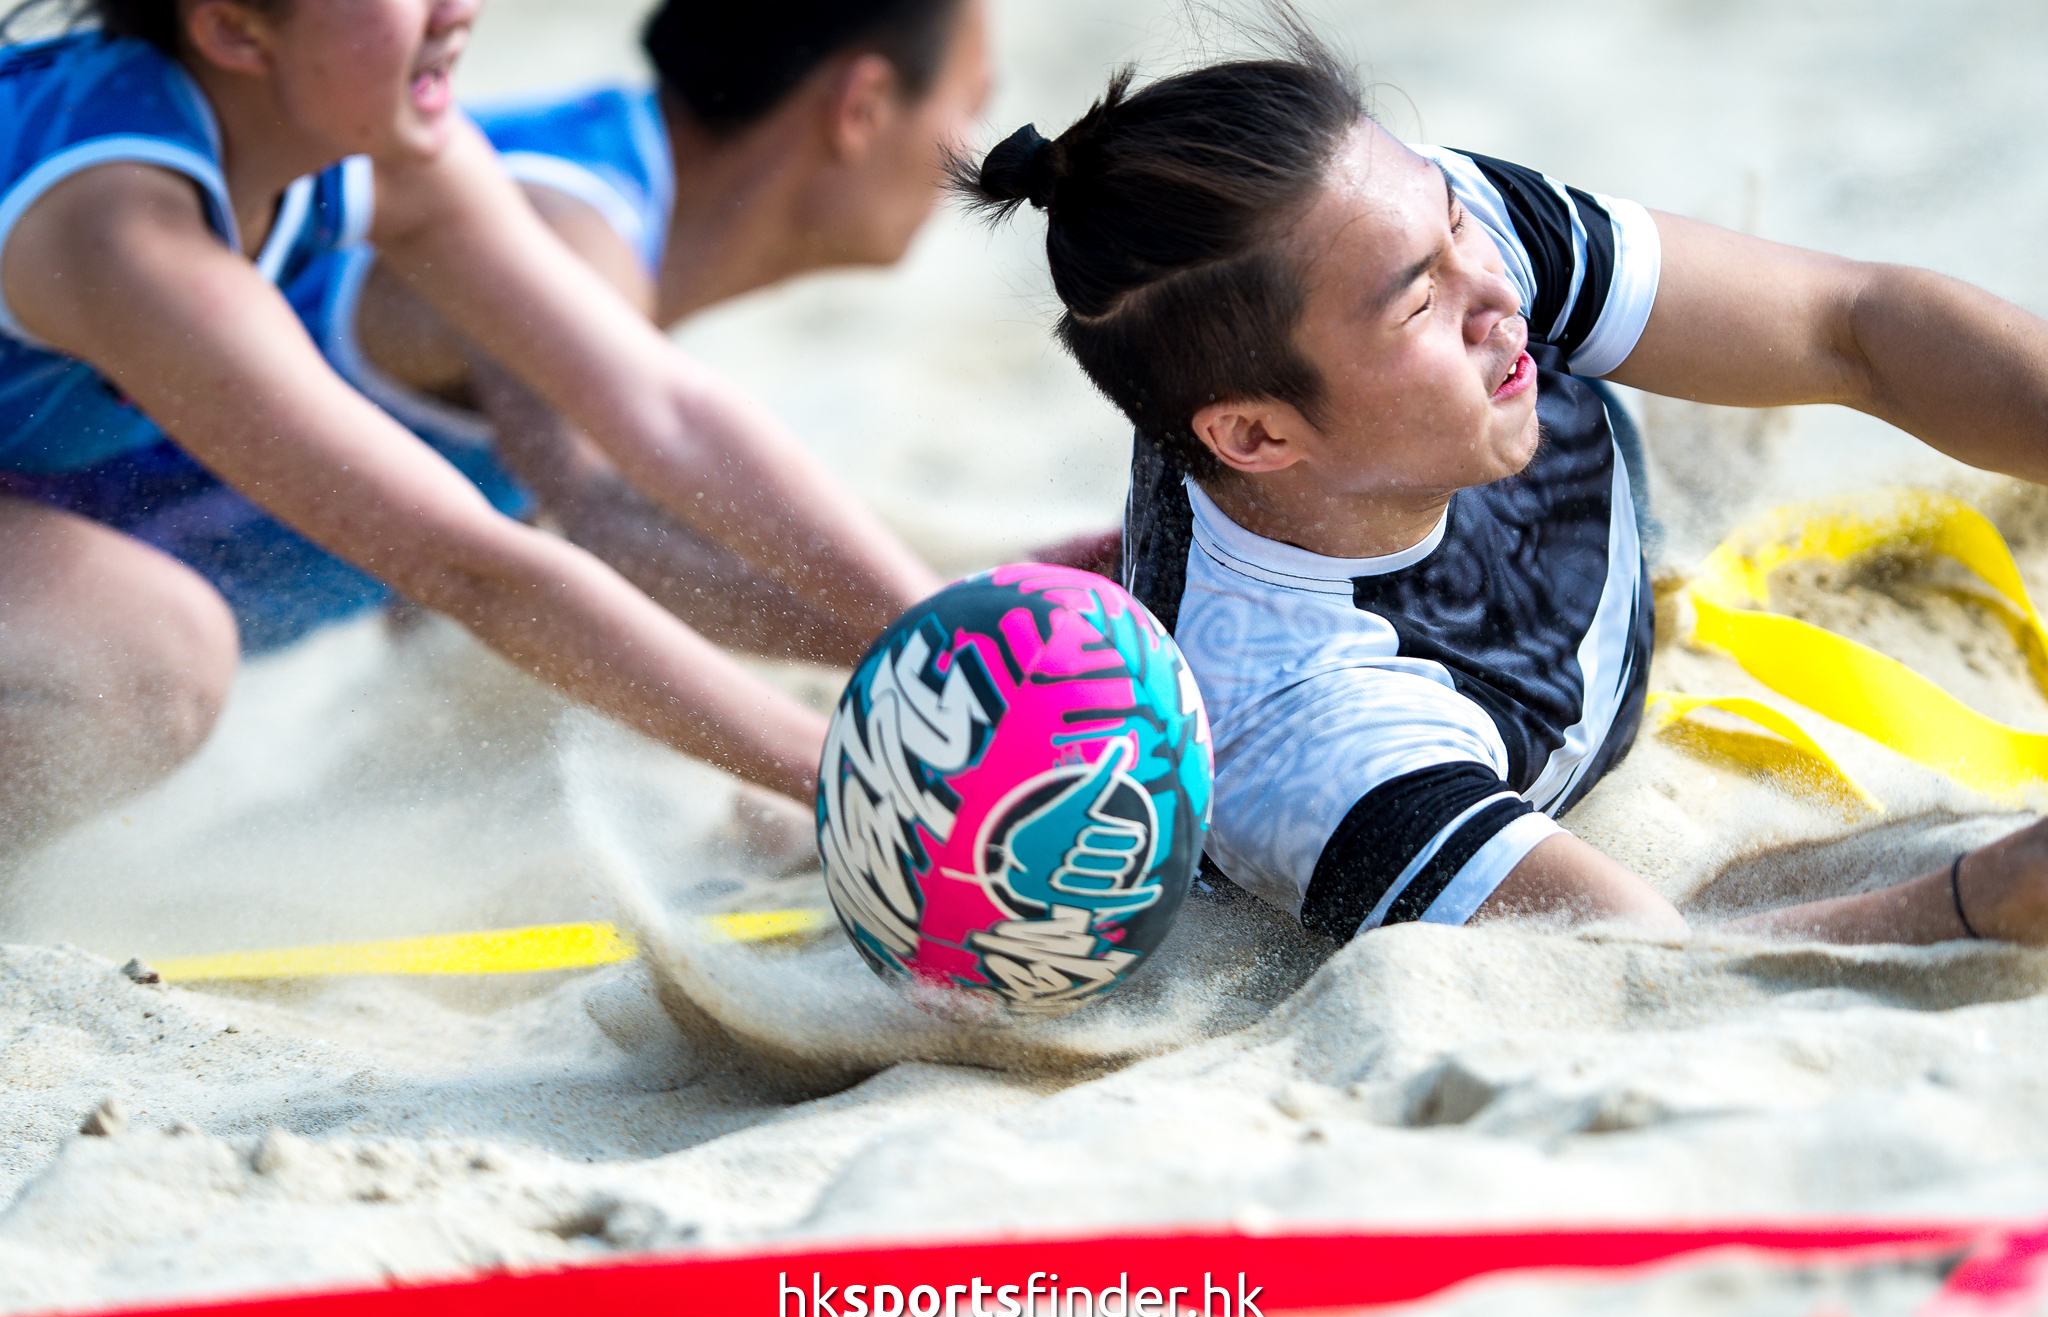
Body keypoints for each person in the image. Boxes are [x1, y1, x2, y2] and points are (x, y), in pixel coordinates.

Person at [951, 27, 2048, 947]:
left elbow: (1849, 331)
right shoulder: (1294, 728)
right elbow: (1651, 967)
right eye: (1414, 302)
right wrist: (1988, 899)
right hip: (1383, 734)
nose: (1492, 289)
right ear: (1252, 431)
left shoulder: (1415, 227)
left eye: (1451, 223)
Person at [0, 0, 941, 856]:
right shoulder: (125, 224)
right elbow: (472, 569)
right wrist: (859, 784)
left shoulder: (365, 144)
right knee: (151, 655)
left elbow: (668, 412)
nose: (458, 11)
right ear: (236, 33)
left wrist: (960, 628)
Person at [310, 0, 1023, 667]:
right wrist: (971, 649)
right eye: (972, 105)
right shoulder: (566, 223)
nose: (982, 153)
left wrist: (986, 595)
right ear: (861, 108)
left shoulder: (601, 180)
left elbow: (444, 592)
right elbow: (612, 529)